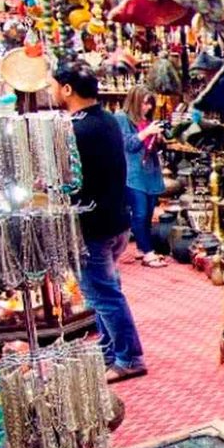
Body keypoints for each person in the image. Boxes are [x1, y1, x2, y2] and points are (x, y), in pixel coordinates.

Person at [49, 63, 148, 382]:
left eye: (54, 86)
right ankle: (111, 352)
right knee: (105, 292)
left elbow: (70, 180)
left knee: (104, 295)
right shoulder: (107, 120)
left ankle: (129, 357)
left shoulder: (77, 130)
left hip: (93, 225)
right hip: (115, 220)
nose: (51, 92)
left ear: (67, 89)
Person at [116, 87, 170, 267]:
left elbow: (154, 148)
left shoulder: (147, 120)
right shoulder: (122, 118)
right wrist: (146, 133)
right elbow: (128, 144)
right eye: (144, 103)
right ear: (134, 101)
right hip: (133, 173)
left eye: (150, 104)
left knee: (147, 213)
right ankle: (148, 253)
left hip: (150, 172)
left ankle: (142, 247)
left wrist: (160, 138)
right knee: (139, 213)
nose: (147, 108)